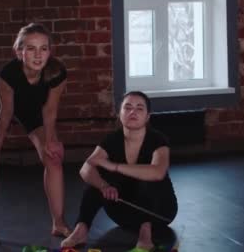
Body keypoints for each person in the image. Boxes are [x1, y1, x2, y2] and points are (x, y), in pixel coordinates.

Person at [0, 22, 69, 244]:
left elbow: (49, 111)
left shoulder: (57, 73)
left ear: (50, 51)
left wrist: (50, 142)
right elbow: (6, 113)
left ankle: (59, 222)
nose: (38, 55)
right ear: (19, 51)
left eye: (43, 48)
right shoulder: (6, 75)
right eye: (31, 48)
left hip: (33, 108)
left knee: (53, 159)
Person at [61, 91, 178, 251]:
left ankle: (145, 234)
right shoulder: (112, 139)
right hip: (124, 213)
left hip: (159, 212)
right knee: (96, 177)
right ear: (120, 113)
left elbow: (158, 172)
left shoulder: (158, 140)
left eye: (139, 108)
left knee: (148, 178)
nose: (132, 112)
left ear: (147, 116)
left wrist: (114, 166)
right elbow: (86, 168)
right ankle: (81, 228)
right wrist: (103, 186)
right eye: (127, 107)